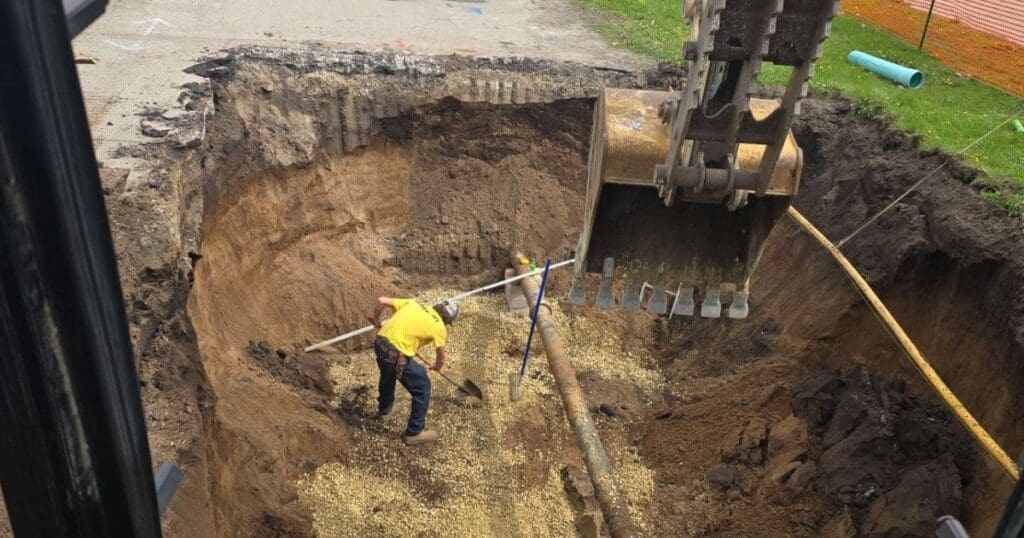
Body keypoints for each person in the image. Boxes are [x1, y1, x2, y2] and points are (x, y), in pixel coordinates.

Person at [369, 297, 459, 445]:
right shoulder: (439, 327)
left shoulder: (414, 304)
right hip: (396, 355)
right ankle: (414, 433)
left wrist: (377, 321)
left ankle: (384, 412)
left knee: (388, 376)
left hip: (380, 344)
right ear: (448, 320)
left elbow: (381, 300)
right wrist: (437, 367)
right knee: (423, 387)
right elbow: (442, 358)